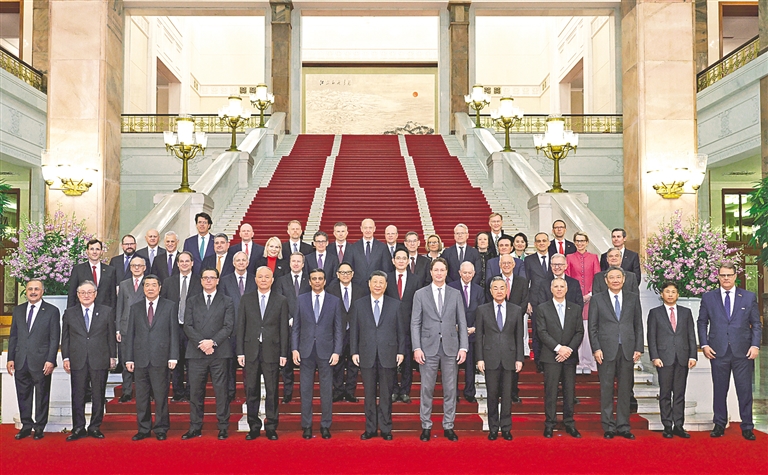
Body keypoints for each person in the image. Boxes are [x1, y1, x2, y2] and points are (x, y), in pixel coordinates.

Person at [698, 263, 761, 441]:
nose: (726, 278)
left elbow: (756, 324)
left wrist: (755, 345)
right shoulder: (708, 297)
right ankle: (719, 424)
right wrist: (704, 344)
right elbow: (702, 322)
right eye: (723, 275)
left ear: (735, 276)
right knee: (719, 390)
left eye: (729, 275)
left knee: (745, 390)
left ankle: (747, 426)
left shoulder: (748, 297)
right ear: (718, 276)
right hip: (717, 351)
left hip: (743, 352)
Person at [411, 258, 468, 442]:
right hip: (427, 348)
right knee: (426, 389)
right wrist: (417, 347)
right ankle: (426, 425)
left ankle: (448, 425)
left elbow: (462, 321)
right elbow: (415, 323)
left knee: (450, 389)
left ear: (446, 272)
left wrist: (463, 347)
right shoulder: (420, 294)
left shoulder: (455, 294)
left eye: (442, 270)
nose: (439, 273)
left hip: (451, 348)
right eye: (436, 270)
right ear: (431, 272)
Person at [588, 266, 643, 440]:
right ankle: (608, 426)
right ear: (606, 281)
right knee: (606, 389)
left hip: (627, 350)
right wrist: (596, 348)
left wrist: (638, 348)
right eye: (611, 277)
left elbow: (638, 325)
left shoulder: (633, 298)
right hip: (605, 351)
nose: (615, 280)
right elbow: (592, 327)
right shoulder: (597, 299)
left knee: (625, 390)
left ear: (623, 279)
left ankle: (623, 426)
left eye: (618, 277)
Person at [351, 271, 405, 440]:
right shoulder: (359, 304)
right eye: (375, 282)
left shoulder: (395, 305)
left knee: (386, 395)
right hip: (366, 354)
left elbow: (401, 331)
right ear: (369, 284)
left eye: (381, 282)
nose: (378, 285)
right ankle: (370, 428)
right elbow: (354, 331)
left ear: (386, 285)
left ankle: (386, 428)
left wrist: (401, 351)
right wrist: (354, 351)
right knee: (369, 394)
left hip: (388, 354)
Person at [237, 266, 290, 441]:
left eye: (267, 277)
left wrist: (283, 354)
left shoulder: (281, 300)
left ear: (272, 280)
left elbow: (284, 329)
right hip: (250, 351)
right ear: (255, 279)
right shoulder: (246, 299)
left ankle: (271, 426)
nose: (264, 280)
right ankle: (254, 427)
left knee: (272, 391)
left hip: (272, 352)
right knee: (251, 390)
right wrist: (240, 352)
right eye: (260, 277)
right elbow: (241, 326)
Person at [181, 268, 235, 440]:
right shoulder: (192, 300)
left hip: (219, 351)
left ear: (218, 280)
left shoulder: (227, 301)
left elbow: (228, 326)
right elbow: (187, 325)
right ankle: (195, 427)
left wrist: (212, 342)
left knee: (221, 392)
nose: (209, 280)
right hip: (196, 352)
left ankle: (223, 426)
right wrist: (202, 343)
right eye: (205, 278)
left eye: (212, 277)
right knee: (195, 392)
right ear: (201, 280)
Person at [123, 275, 178, 441]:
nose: (151, 288)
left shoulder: (169, 306)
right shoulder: (135, 307)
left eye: (154, 285)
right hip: (140, 359)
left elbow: (174, 333)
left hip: (161, 358)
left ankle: (161, 428)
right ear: (143, 288)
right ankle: (143, 428)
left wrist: (173, 356)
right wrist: (129, 358)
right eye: (147, 285)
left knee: (161, 396)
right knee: (141, 396)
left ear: (159, 288)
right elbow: (130, 334)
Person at [61, 281, 117, 441]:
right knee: (78, 395)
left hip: (99, 358)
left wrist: (112, 356)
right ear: (78, 295)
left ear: (95, 294)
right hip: (77, 359)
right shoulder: (69, 313)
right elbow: (65, 337)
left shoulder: (106, 311)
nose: (86, 295)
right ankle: (78, 428)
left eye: (90, 292)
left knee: (98, 394)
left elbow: (111, 336)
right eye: (83, 293)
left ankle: (94, 427)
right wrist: (66, 357)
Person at [292, 268, 343, 440]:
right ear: (309, 281)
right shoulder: (301, 299)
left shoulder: (334, 301)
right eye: (314, 278)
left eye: (320, 278)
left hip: (326, 352)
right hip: (305, 351)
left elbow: (338, 329)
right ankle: (307, 425)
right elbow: (296, 327)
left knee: (326, 391)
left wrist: (337, 351)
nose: (317, 281)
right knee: (305, 391)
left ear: (325, 281)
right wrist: (294, 349)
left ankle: (325, 425)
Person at [7, 279, 61, 440]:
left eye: (36, 289)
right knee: (23, 395)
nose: (33, 292)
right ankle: (26, 426)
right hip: (21, 360)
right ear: (26, 291)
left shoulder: (52, 311)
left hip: (42, 361)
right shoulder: (18, 310)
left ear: (42, 291)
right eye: (30, 289)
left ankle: (39, 427)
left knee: (42, 395)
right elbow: (13, 336)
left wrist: (51, 360)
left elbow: (54, 338)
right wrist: (10, 358)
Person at [475, 276, 523, 441]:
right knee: (492, 395)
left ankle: (506, 428)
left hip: (509, 358)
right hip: (490, 358)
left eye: (502, 288)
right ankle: (493, 428)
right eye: (495, 288)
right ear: (490, 291)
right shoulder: (482, 310)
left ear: (506, 289)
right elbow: (479, 336)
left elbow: (519, 336)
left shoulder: (516, 310)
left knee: (507, 395)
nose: (499, 291)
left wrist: (519, 359)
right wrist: (479, 358)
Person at [647, 281, 697, 439]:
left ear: (678, 294)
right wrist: (654, 356)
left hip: (682, 358)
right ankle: (667, 425)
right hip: (663, 358)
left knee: (680, 393)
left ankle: (679, 425)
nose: (670, 294)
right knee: (665, 393)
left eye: (673, 292)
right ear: (662, 294)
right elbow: (651, 336)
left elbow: (691, 335)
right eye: (667, 292)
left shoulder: (686, 312)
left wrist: (693, 355)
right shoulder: (655, 313)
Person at [536, 277, 584, 438]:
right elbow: (542, 332)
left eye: (561, 286)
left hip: (569, 356)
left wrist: (568, 349)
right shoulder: (542, 308)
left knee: (569, 392)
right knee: (551, 392)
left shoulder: (575, 308)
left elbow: (579, 332)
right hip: (551, 356)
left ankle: (569, 423)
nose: (558, 289)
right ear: (551, 289)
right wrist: (558, 348)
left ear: (566, 289)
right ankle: (550, 424)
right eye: (555, 286)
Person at [160, 251, 201, 402]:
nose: (184, 264)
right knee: (176, 360)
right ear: (177, 264)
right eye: (181, 261)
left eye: (187, 261)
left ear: (192, 263)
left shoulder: (199, 281)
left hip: (193, 328)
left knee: (192, 361)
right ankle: (178, 392)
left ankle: (190, 392)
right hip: (174, 327)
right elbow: (163, 305)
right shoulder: (168, 282)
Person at [219, 251, 257, 402]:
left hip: (251, 330)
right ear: (233, 263)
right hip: (231, 330)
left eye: (243, 260)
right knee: (229, 365)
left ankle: (250, 394)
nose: (241, 263)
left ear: (248, 262)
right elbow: (222, 305)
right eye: (238, 260)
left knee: (250, 366)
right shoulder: (224, 280)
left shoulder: (255, 279)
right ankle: (230, 394)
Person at [327, 262, 368, 403]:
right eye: (342, 272)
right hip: (337, 332)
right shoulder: (330, 290)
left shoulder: (360, 290)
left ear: (352, 274)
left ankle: (350, 391)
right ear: (337, 274)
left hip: (355, 332)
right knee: (337, 363)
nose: (345, 275)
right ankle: (338, 391)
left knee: (353, 363)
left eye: (348, 272)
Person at [386, 249, 423, 403]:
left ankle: (405, 390)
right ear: (393, 261)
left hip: (409, 325)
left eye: (404, 258)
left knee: (407, 359)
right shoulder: (386, 278)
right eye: (398, 258)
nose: (401, 261)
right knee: (390, 358)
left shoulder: (416, 280)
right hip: (390, 325)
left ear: (408, 261)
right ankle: (394, 390)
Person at [273, 251, 310, 402]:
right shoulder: (281, 280)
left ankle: (305, 394)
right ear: (289, 263)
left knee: (306, 362)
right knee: (287, 362)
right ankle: (288, 394)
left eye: (298, 261)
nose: (295, 264)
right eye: (293, 261)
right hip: (286, 326)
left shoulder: (310, 280)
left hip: (306, 327)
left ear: (303, 264)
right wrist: (289, 318)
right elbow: (278, 301)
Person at [493, 254, 530, 400]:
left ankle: (513, 392)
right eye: (504, 263)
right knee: (497, 359)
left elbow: (524, 302)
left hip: (515, 325)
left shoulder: (522, 281)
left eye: (509, 263)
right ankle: (498, 391)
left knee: (513, 359)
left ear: (514, 265)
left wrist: (512, 317)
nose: (506, 265)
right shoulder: (493, 281)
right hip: (497, 326)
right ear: (500, 265)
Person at [448, 261, 485, 403]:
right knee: (453, 365)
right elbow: (448, 310)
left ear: (474, 274)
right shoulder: (451, 287)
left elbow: (482, 311)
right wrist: (455, 326)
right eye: (465, 273)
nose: (467, 275)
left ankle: (470, 392)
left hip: (472, 333)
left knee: (470, 365)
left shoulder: (479, 290)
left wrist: (475, 327)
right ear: (459, 273)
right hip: (455, 333)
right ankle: (454, 393)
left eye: (470, 273)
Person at [565, 232, 602, 374]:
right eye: (577, 241)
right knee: (576, 330)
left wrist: (590, 294)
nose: (580, 243)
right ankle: (578, 362)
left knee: (588, 330)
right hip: (574, 299)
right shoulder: (569, 257)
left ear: (587, 242)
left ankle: (589, 362)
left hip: (590, 299)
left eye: (582, 241)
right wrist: (577, 296)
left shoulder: (593, 257)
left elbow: (597, 277)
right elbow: (567, 278)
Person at [115, 256, 147, 403]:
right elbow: (119, 307)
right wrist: (118, 329)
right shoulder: (124, 284)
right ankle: (127, 391)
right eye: (134, 265)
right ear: (130, 267)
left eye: (139, 265)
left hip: (144, 327)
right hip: (126, 327)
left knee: (144, 361)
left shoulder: (149, 283)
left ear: (144, 268)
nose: (136, 268)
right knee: (126, 360)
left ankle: (146, 391)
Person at [524, 233, 554, 366]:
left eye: (544, 240)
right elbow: (526, 282)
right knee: (537, 332)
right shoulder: (529, 260)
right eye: (538, 241)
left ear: (549, 243)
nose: (541, 243)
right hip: (535, 301)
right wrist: (527, 302)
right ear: (535, 244)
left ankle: (551, 361)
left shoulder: (555, 258)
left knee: (553, 331)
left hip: (554, 300)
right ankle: (539, 362)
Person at [67, 238, 117, 309]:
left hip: (105, 311)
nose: (94, 252)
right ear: (87, 251)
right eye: (91, 249)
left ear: (101, 252)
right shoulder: (78, 270)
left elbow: (113, 296)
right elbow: (72, 294)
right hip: (83, 310)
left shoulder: (110, 270)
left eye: (97, 249)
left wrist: (113, 313)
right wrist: (70, 313)